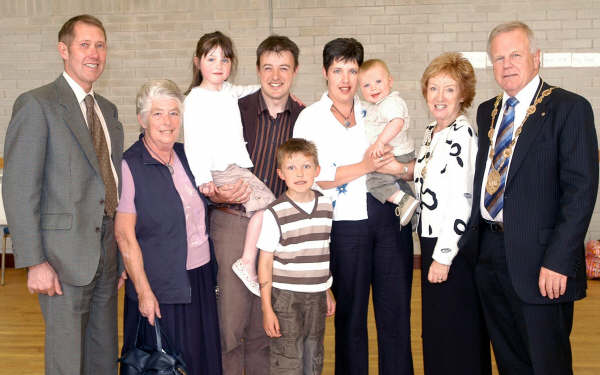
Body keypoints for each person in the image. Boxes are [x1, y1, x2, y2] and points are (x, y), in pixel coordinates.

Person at [459, 21, 598, 375]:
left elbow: (580, 192)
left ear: (536, 58)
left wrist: (558, 259)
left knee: (546, 362)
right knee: (509, 359)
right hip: (489, 256)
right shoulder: (487, 110)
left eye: (515, 55)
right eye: (499, 58)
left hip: (541, 262)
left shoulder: (570, 108)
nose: (507, 64)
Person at [2, 14, 123, 375]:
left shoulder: (108, 111)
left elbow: (110, 183)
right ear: (63, 50)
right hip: (61, 258)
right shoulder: (37, 104)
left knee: (102, 356)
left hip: (105, 252)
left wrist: (119, 250)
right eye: (85, 44)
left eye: (100, 45)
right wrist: (34, 261)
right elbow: (19, 187)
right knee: (67, 359)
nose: (94, 53)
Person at [293, 38, 414, 375]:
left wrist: (401, 168)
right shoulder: (310, 118)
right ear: (325, 73)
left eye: (351, 70)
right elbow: (311, 175)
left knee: (395, 316)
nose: (345, 79)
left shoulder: (375, 108)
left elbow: (403, 151)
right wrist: (364, 166)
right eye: (337, 70)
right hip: (344, 228)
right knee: (351, 320)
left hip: (388, 219)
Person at [206, 35, 304, 375]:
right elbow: (206, 157)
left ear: (295, 71)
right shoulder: (235, 108)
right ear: (258, 69)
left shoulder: (305, 118)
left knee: (267, 325)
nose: (275, 76)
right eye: (267, 67)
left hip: (278, 230)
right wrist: (214, 192)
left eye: (283, 68)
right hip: (232, 223)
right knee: (231, 323)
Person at [114, 79, 222, 375]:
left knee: (202, 361)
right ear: (142, 119)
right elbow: (124, 236)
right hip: (160, 288)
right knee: (164, 366)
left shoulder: (189, 156)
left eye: (174, 113)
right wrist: (144, 291)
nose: (168, 121)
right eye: (158, 113)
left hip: (199, 279)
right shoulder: (130, 165)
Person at [413, 52, 491, 375]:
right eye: (433, 88)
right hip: (431, 240)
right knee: (437, 333)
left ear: (463, 95)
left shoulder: (461, 133)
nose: (439, 96)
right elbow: (430, 177)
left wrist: (443, 256)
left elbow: (463, 198)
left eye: (448, 89)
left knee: (456, 333)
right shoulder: (434, 130)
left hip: (451, 247)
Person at [183, 31, 268, 296]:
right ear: (198, 62)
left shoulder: (230, 92)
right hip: (219, 170)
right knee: (271, 208)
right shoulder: (195, 98)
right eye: (212, 59)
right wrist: (202, 179)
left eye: (225, 59)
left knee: (267, 209)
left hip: (236, 167)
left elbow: (257, 89)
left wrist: (281, 90)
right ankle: (246, 262)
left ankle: (247, 260)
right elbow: (193, 143)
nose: (219, 65)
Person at [257, 138, 336, 374]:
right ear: (281, 174)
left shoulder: (326, 205)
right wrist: (266, 308)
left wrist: (326, 289)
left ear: (317, 170)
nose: (300, 173)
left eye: (306, 166)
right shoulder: (275, 213)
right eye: (291, 168)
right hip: (286, 298)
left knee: (313, 357)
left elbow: (321, 251)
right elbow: (264, 262)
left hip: (316, 297)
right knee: (288, 359)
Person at [358, 59, 418, 226]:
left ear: (390, 81)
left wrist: (379, 142)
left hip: (397, 153)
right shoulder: (374, 105)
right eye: (366, 85)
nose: (373, 88)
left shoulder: (391, 102)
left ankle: (404, 201)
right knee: (396, 182)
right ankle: (413, 209)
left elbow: (397, 123)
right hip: (396, 152)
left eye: (378, 81)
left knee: (374, 182)